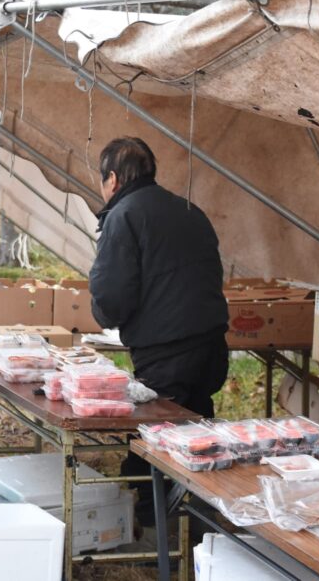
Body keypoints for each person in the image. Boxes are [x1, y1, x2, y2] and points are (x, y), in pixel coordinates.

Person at [88, 136, 228, 523]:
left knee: (156, 432)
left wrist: (103, 313)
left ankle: (150, 526)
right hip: (212, 344)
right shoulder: (190, 211)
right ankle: (196, 516)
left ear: (112, 179)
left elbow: (112, 294)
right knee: (196, 426)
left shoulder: (124, 216)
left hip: (166, 351)